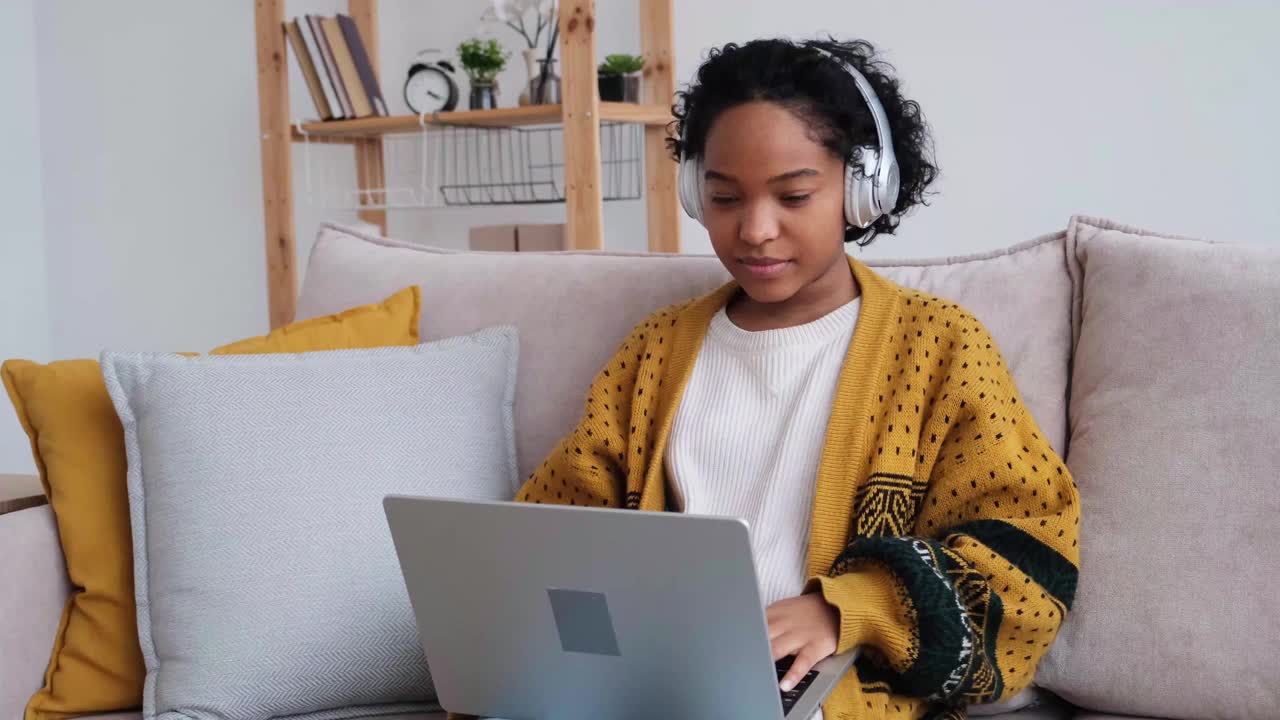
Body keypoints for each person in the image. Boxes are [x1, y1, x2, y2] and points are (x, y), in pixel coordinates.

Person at [509, 38, 1080, 720]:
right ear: (694, 190)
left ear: (866, 189)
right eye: (723, 197)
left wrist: (849, 609)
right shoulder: (655, 351)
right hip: (652, 676)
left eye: (794, 195)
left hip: (819, 692)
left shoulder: (939, 347)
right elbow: (554, 526)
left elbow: (1025, 554)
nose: (755, 229)